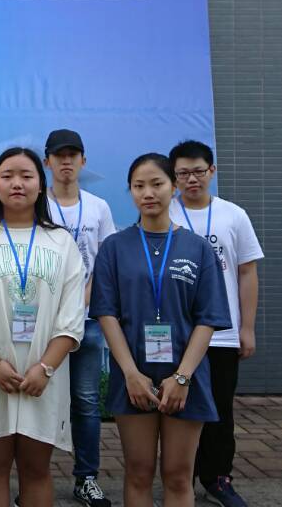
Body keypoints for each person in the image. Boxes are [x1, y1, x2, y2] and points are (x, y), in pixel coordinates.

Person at [90, 153, 231, 507]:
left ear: (174, 187)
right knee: (138, 471)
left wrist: (182, 377)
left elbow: (208, 318)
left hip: (186, 378)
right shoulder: (114, 247)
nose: (148, 193)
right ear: (130, 191)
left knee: (178, 474)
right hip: (132, 376)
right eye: (139, 186)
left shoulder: (198, 248)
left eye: (157, 184)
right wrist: (130, 374)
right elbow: (106, 313)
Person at [0, 147, 85, 507]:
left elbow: (72, 316)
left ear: (40, 185)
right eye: (7, 176)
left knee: (36, 469)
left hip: (44, 376)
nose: (17, 183)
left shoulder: (61, 242)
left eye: (26, 176)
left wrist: (45, 368)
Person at [168, 140, 263, 507]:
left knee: (220, 410)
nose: (191, 179)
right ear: (174, 178)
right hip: (179, 335)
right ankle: (180, 482)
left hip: (222, 335)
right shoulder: (166, 213)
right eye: (183, 173)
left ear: (212, 171)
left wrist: (247, 327)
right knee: (178, 411)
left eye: (198, 171)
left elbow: (247, 272)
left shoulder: (233, 215)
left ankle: (218, 478)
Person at [42, 129, 116, 507]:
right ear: (47, 162)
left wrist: (79, 301)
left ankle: (86, 477)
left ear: (83, 161)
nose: (66, 161)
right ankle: (36, 478)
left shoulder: (98, 207)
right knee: (40, 401)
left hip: (86, 322)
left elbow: (105, 263)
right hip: (43, 323)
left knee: (85, 402)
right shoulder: (39, 204)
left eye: (73, 155)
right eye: (59, 155)